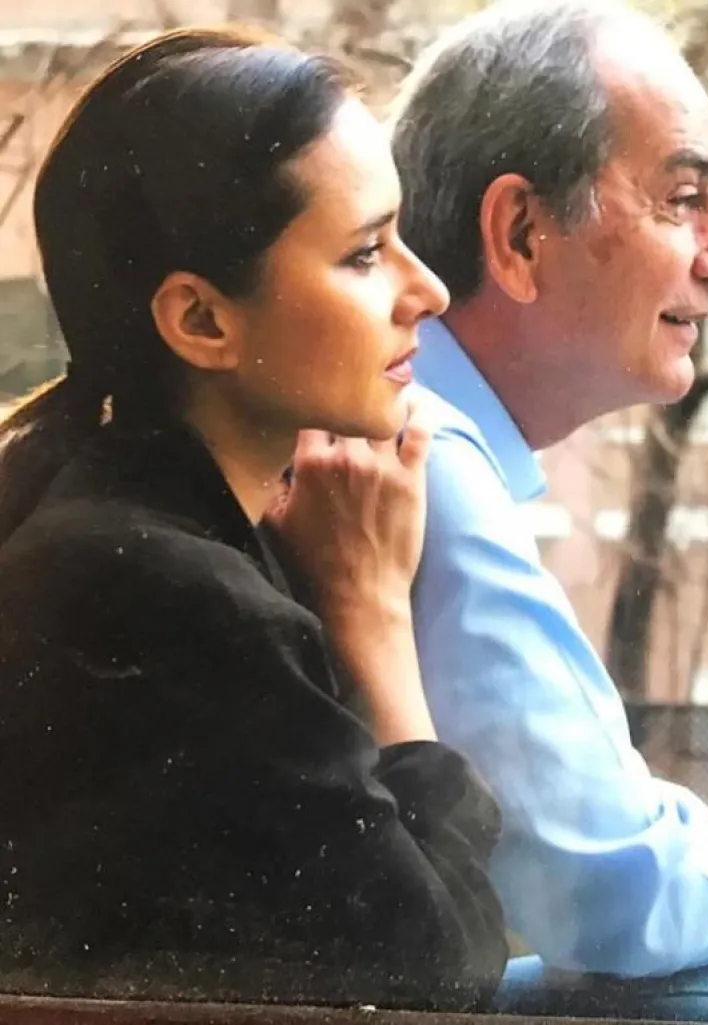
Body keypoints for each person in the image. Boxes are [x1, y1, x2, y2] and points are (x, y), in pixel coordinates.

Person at [0, 26, 508, 1011]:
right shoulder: (163, 592)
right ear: (200, 320)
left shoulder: (129, 522)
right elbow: (441, 973)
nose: (429, 291)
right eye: (366, 254)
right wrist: (374, 615)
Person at [385, 2, 708, 1023]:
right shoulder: (414, 450)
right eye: (684, 199)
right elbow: (602, 877)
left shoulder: (411, 433)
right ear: (521, 234)